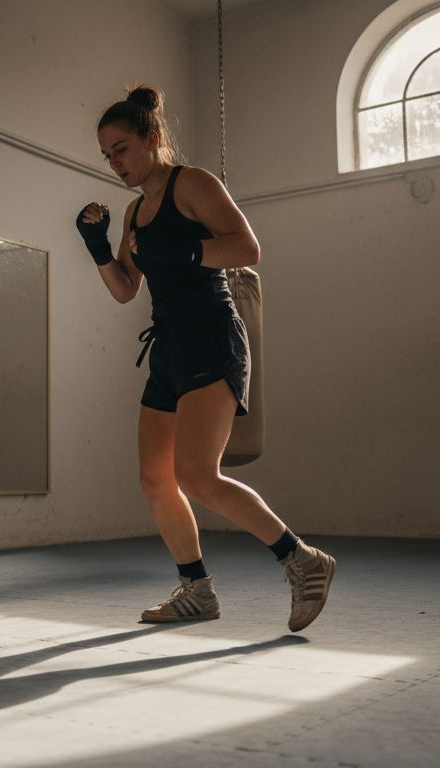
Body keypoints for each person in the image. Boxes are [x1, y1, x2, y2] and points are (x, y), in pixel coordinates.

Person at [75, 85, 335, 631]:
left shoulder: (191, 184)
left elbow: (246, 248)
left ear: (152, 138)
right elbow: (125, 289)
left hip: (212, 334)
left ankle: (301, 560)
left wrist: (189, 250)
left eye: (121, 148)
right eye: (107, 155)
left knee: (195, 474)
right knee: (155, 479)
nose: (115, 162)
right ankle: (196, 590)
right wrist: (98, 245)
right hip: (168, 346)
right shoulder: (135, 211)